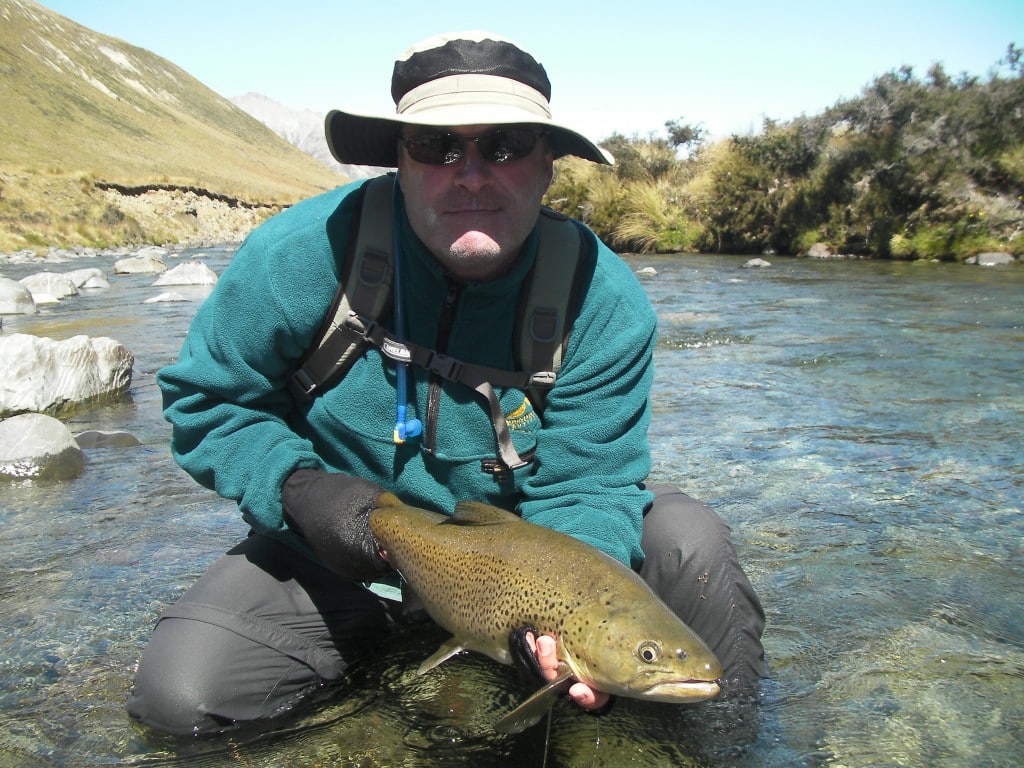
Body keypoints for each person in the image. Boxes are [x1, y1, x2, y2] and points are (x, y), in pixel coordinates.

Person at [127, 30, 765, 736]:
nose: (470, 173)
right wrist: (295, 488)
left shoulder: (603, 301)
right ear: (399, 160)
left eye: (504, 145)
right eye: (437, 146)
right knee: (182, 699)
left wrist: (556, 625)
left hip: (514, 558)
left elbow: (586, 487)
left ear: (549, 164)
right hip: (332, 554)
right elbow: (206, 399)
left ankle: (707, 744)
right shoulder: (304, 253)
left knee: (688, 543)